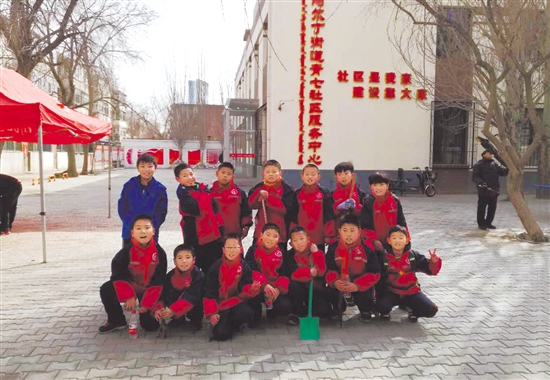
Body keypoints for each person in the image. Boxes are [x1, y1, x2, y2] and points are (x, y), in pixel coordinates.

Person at [98, 214, 167, 333]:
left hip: (149, 289)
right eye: (138, 228)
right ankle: (116, 320)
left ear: (153, 231)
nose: (143, 231)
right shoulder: (125, 252)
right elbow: (118, 275)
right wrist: (128, 295)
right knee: (106, 289)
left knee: (150, 326)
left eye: (147, 227)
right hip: (131, 286)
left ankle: (151, 313)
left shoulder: (160, 253)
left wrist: (146, 305)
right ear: (132, 233)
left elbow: (158, 281)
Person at [376, 225, 441, 322]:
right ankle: (386, 310)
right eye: (394, 238)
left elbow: (431, 271)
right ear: (389, 240)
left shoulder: (413, 256)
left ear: (407, 240)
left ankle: (414, 311)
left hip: (411, 292)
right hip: (392, 292)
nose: (397, 241)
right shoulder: (383, 257)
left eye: (401, 238)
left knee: (431, 310)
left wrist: (434, 262)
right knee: (380, 306)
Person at [326, 214, 381, 323]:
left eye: (352, 230)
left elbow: (375, 273)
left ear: (359, 231)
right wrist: (335, 281)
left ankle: (365, 310)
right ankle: (338, 308)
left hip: (358, 282)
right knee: (330, 292)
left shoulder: (367, 248)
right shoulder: (333, 248)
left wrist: (357, 285)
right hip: (341, 281)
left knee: (365, 294)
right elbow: (329, 269)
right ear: (339, 231)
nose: (348, 234)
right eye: (345, 230)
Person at [203, 234, 260, 341]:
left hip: (235, 302)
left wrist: (252, 289)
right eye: (229, 247)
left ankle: (232, 324)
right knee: (221, 335)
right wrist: (212, 314)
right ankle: (224, 324)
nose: (232, 250)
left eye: (235, 247)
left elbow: (244, 289)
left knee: (247, 312)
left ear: (240, 249)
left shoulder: (244, 266)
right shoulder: (216, 267)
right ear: (223, 250)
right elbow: (209, 292)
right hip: (220, 305)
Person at [174, 162, 223, 274]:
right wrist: (206, 196)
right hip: (194, 234)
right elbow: (195, 208)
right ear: (178, 179)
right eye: (185, 176)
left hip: (210, 232)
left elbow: (214, 207)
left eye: (191, 174)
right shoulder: (184, 194)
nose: (189, 178)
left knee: (211, 262)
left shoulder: (201, 188)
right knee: (196, 263)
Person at [152, 244, 205, 337]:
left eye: (188, 257)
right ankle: (178, 319)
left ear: (194, 260)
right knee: (170, 293)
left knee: (198, 299)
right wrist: (159, 309)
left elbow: (193, 295)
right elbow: (162, 294)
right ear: (174, 261)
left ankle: (196, 320)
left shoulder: (198, 275)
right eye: (180, 258)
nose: (184, 261)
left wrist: (173, 310)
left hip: (193, 304)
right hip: (176, 305)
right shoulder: (169, 276)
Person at [245, 223, 292, 327]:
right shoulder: (253, 250)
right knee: (252, 301)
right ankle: (256, 313)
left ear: (279, 239)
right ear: (261, 235)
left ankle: (272, 309)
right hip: (258, 286)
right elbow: (251, 270)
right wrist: (264, 285)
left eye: (275, 236)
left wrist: (278, 290)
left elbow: (284, 274)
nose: (270, 238)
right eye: (268, 234)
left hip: (274, 287)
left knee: (285, 307)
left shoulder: (281, 253)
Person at [118, 154, 168, 246]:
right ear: (138, 168)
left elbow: (161, 212)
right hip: (130, 231)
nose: (146, 170)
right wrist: (134, 226)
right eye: (142, 166)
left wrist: (149, 227)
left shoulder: (160, 189)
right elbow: (122, 207)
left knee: (149, 259)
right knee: (128, 258)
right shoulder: (129, 185)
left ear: (155, 168)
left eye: (150, 166)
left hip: (150, 233)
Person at [286, 226, 332, 326]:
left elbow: (322, 271)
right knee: (294, 285)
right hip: (299, 290)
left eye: (302, 239)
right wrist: (309, 273)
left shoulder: (316, 252)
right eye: (295, 240)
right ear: (291, 244)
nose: (299, 243)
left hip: (315, 289)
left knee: (323, 311)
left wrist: (316, 254)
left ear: (308, 239)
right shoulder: (289, 256)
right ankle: (298, 313)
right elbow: (292, 274)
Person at [248, 159, 294, 252]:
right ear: (263, 173)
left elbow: (286, 209)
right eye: (267, 172)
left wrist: (268, 198)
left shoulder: (287, 189)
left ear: (280, 173)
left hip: (280, 233)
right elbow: (251, 204)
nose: (271, 174)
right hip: (260, 231)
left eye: (274, 171)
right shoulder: (258, 187)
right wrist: (258, 194)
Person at [289, 164, 334, 252]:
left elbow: (329, 214)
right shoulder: (297, 194)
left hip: (319, 236)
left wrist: (328, 235)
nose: (310, 177)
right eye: (307, 174)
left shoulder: (324, 193)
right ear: (302, 176)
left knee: (318, 259)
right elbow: (293, 215)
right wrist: (292, 235)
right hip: (301, 237)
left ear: (318, 177)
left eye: (313, 174)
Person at [360, 172, 409, 252]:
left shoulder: (395, 201)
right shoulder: (368, 203)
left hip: (393, 242)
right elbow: (365, 226)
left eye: (381, 185)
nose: (378, 188)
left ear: (387, 186)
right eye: (375, 185)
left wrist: (404, 239)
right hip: (375, 244)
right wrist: (374, 240)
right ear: (370, 187)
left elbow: (401, 222)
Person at [327, 162, 367, 243]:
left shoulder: (361, 193)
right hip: (338, 234)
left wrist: (356, 207)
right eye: (340, 174)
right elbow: (328, 215)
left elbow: (366, 214)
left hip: (357, 234)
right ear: (336, 177)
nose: (343, 177)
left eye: (346, 173)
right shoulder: (332, 194)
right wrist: (338, 207)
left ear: (352, 175)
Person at [210, 162, 253, 239]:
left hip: (234, 233)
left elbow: (246, 211)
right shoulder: (210, 193)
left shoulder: (239, 193)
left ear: (233, 176)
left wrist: (246, 227)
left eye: (229, 174)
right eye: (223, 173)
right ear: (217, 173)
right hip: (215, 235)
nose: (225, 175)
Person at [472, 150, 509, 230]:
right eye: (489, 153)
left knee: (492, 207)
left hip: (494, 190)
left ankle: (488, 223)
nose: (490, 154)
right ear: (484, 154)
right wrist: (481, 182)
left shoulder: (494, 164)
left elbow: (502, 172)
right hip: (484, 190)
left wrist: (508, 168)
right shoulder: (478, 165)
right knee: (482, 207)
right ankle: (481, 224)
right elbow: (475, 177)